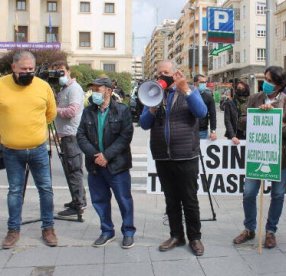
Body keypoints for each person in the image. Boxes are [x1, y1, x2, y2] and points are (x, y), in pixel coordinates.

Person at [140, 60, 207, 256]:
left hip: (186, 155)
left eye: (166, 72)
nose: (162, 75)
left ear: (175, 73)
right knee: (171, 200)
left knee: (189, 199)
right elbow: (144, 124)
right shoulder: (153, 93)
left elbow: (201, 113)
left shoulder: (189, 91)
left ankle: (195, 238)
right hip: (163, 156)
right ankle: (176, 235)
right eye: (159, 72)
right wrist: (152, 106)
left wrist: (185, 88)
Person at [233, 66, 286, 248]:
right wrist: (257, 117)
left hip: (281, 158)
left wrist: (275, 119)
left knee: (277, 195)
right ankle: (249, 228)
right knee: (248, 193)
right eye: (265, 79)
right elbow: (241, 121)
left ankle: (271, 231)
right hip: (257, 155)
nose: (266, 83)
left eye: (270, 81)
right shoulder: (254, 99)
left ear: (280, 84)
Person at [0, 51, 58, 249]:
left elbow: (51, 113)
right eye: (23, 69)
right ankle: (13, 230)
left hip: (38, 149)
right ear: (13, 67)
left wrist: (36, 131)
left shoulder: (43, 87)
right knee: (15, 191)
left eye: (31, 70)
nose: (27, 73)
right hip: (11, 151)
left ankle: (48, 228)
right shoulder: (1, 85)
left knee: (46, 190)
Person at [77, 77, 136, 249]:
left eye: (98, 89)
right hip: (95, 166)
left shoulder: (122, 110)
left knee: (124, 200)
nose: (94, 92)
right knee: (99, 200)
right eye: (93, 89)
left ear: (109, 91)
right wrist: (96, 155)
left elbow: (126, 136)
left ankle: (128, 232)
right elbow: (80, 135)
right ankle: (107, 231)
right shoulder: (88, 111)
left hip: (117, 165)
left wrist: (107, 156)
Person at [50, 60, 87, 217]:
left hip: (73, 136)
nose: (60, 75)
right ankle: (76, 199)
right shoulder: (64, 89)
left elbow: (72, 111)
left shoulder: (74, 89)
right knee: (69, 170)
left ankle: (78, 205)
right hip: (66, 135)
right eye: (56, 73)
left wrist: (53, 109)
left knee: (74, 171)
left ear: (68, 71)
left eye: (61, 72)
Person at [194, 74, 217, 140]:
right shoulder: (189, 95)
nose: (204, 84)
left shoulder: (209, 97)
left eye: (205, 82)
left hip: (202, 131)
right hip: (189, 130)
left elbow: (213, 115)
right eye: (201, 82)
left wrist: (213, 131)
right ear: (195, 83)